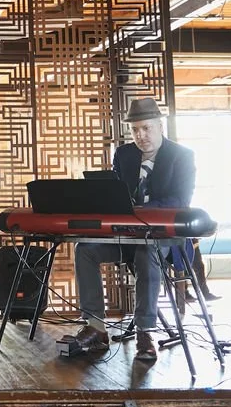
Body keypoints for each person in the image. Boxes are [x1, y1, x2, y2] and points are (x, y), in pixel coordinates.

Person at [69, 97, 196, 363]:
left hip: (163, 238)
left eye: (146, 128)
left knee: (146, 253)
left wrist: (140, 210)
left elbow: (180, 201)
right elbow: (116, 193)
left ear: (160, 126)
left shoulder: (182, 156)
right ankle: (96, 326)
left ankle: (145, 332)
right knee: (85, 249)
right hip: (126, 234)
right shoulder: (124, 155)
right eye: (135, 130)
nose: (141, 135)